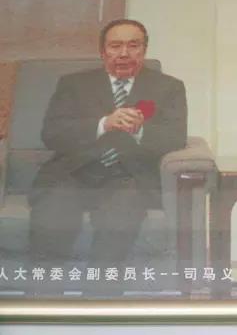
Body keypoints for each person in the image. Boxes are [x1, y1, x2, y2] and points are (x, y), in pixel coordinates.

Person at [29, 19, 187, 283]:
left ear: (144, 50)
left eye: (133, 45)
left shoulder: (168, 87)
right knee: (52, 218)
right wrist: (104, 124)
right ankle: (43, 299)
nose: (124, 53)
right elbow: (52, 134)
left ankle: (101, 299)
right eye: (115, 46)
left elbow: (175, 137)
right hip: (74, 173)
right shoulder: (73, 84)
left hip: (129, 177)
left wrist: (138, 130)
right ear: (103, 52)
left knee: (118, 224)